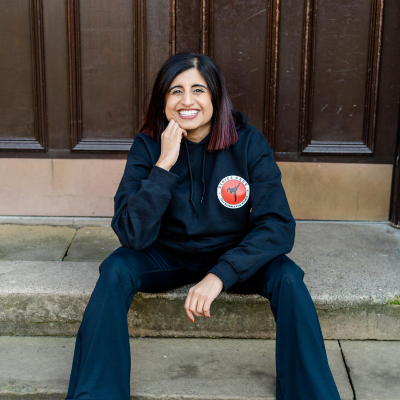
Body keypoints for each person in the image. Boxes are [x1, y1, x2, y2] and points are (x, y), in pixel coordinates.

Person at [65, 51, 341, 400]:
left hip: (233, 256)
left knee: (288, 276)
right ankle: (97, 394)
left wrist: (221, 274)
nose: (187, 100)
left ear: (216, 97)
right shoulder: (149, 145)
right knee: (116, 269)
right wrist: (163, 165)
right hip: (168, 255)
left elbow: (278, 225)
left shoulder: (248, 143)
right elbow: (132, 234)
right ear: (163, 99)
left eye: (198, 89)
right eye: (175, 91)